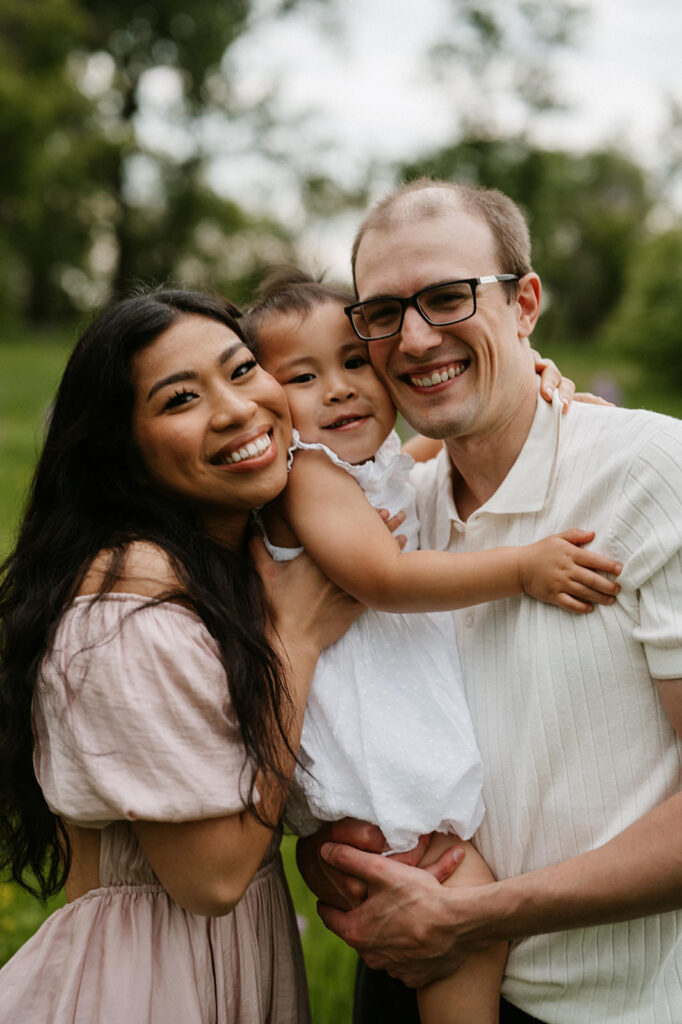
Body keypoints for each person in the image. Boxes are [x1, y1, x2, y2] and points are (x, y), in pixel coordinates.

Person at [296, 179, 682, 1024]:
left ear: (525, 304)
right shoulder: (390, 510)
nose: (416, 337)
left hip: (605, 1005)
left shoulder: (652, 472)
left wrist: (469, 917)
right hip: (410, 977)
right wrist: (336, 847)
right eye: (383, 313)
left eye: (447, 297)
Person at [244, 271, 622, 1024]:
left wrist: (533, 394)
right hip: (378, 784)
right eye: (303, 376)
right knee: (465, 922)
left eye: (355, 362)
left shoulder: (365, 466)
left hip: (402, 787)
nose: (342, 390)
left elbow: (409, 463)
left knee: (464, 926)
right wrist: (523, 568)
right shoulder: (308, 477)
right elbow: (382, 576)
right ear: (268, 404)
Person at [0, 288, 360, 1023]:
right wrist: (298, 638)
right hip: (149, 986)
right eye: (180, 400)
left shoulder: (224, 556)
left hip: (213, 966)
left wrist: (550, 404)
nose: (234, 410)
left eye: (243, 369)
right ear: (124, 458)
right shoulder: (126, 616)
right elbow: (212, 879)